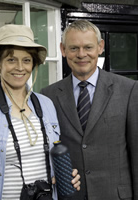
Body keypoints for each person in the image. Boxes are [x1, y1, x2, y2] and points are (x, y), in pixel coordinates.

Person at [0, 24, 81, 200]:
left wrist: (64, 176)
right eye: (11, 60)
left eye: (26, 60)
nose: (20, 67)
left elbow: (50, 161)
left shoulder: (46, 105)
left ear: (33, 64)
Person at [41, 19, 138, 200]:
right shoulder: (48, 95)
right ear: (63, 50)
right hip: (70, 196)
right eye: (73, 48)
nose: (81, 54)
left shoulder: (129, 90)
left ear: (100, 47)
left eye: (88, 47)